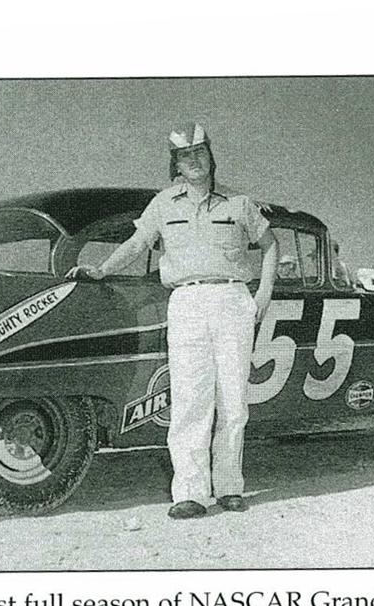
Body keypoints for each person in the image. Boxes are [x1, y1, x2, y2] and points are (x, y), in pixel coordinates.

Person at [66, 123, 279, 520]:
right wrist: (100, 269)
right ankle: (191, 493)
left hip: (233, 298)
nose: (193, 160)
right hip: (186, 301)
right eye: (184, 155)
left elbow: (270, 245)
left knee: (233, 400)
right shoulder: (164, 203)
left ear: (210, 156)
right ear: (175, 163)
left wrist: (263, 294)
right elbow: (137, 243)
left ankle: (230, 486)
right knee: (189, 398)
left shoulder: (239, 203)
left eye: (199, 152)